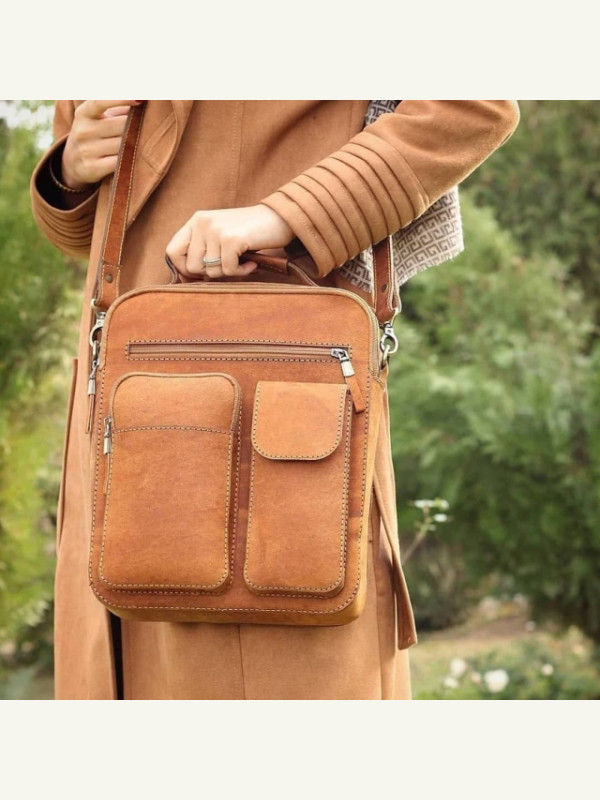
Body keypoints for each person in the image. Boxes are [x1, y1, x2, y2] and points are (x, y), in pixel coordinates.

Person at [30, 100, 520, 700]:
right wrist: (70, 169)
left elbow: (473, 104)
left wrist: (286, 215)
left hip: (265, 426)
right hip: (118, 420)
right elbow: (88, 231)